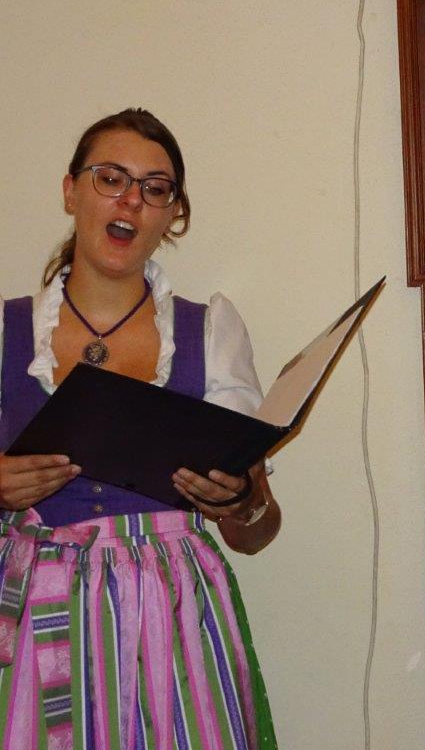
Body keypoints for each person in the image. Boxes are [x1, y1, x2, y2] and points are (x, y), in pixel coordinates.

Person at [0, 109, 280, 749]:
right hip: (36, 613)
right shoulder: (5, 331)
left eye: (155, 188)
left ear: (172, 214)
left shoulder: (211, 332)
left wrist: (241, 500)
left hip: (172, 615)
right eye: (111, 178)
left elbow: (256, 533)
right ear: (70, 190)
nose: (131, 199)